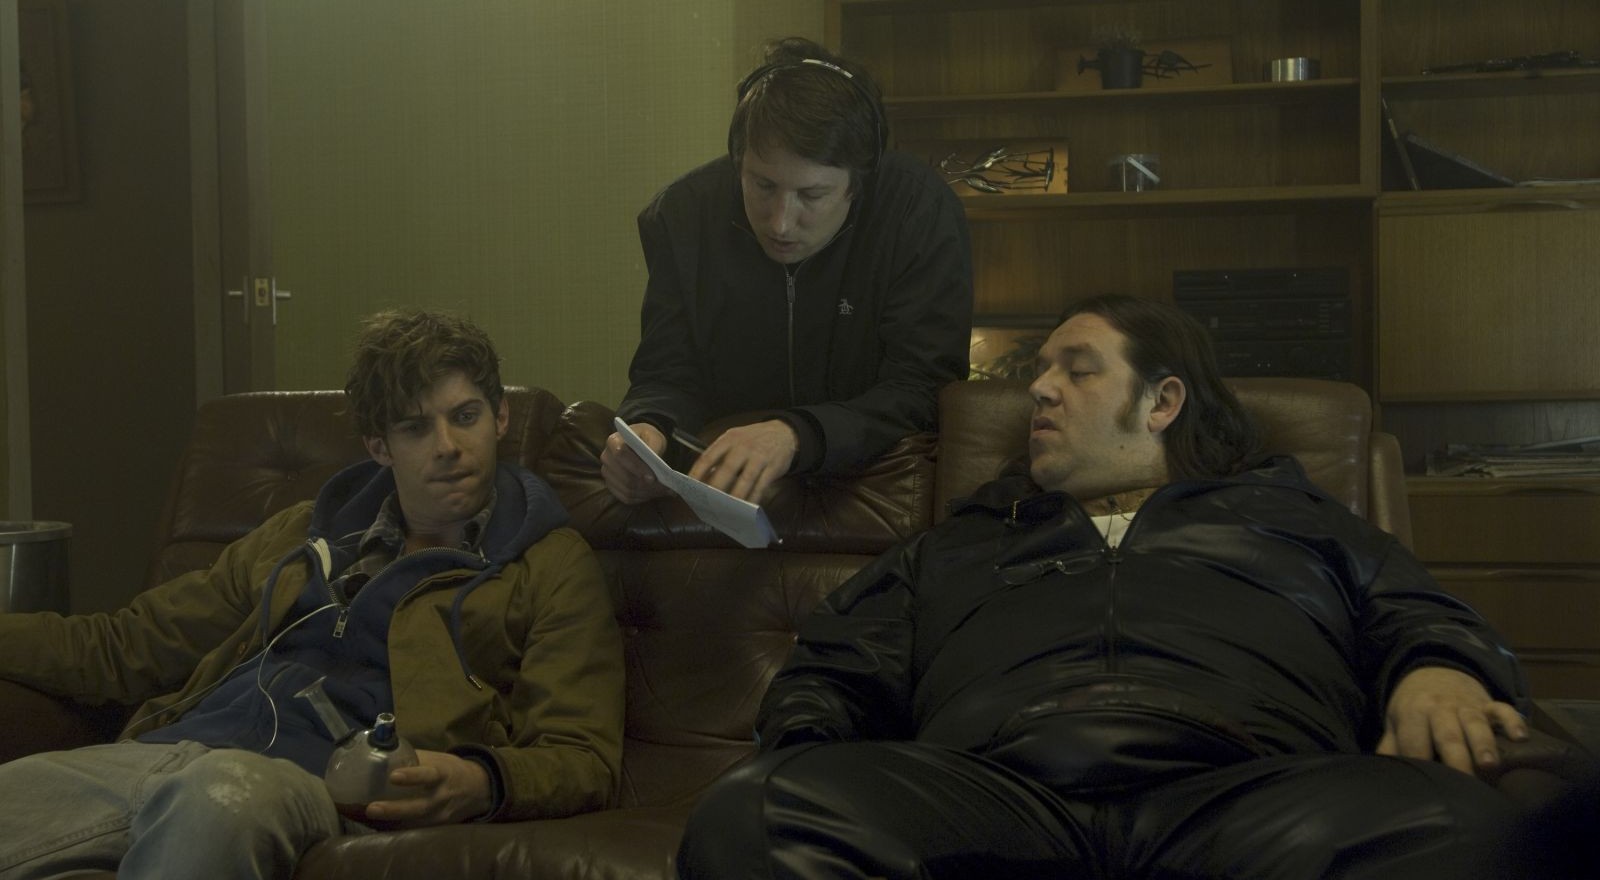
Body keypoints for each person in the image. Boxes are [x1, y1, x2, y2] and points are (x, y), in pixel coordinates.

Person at [675, 294, 1532, 879]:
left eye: (1077, 370)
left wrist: (1439, 671)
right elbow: (830, 668)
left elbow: (1416, 611)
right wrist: (809, 745)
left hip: (1250, 792)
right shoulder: (962, 541)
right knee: (755, 814)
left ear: (1162, 402)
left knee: (1464, 829)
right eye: (1040, 370)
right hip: (995, 798)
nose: (1040, 389)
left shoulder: (1292, 515)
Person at [0, 309, 624, 878]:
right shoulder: (301, 534)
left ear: (500, 418)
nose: (448, 447)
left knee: (220, 795)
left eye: (465, 417)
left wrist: (483, 778)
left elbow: (582, 756)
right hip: (166, 754)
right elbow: (124, 644)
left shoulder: (549, 562)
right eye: (415, 427)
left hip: (305, 784)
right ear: (379, 447)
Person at [601, 36, 973, 505]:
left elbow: (922, 389)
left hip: (870, 482)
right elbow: (666, 372)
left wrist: (795, 433)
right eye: (762, 185)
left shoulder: (917, 212)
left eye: (811, 196)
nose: (780, 222)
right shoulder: (683, 216)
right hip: (724, 492)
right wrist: (648, 429)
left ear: (859, 184)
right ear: (738, 160)